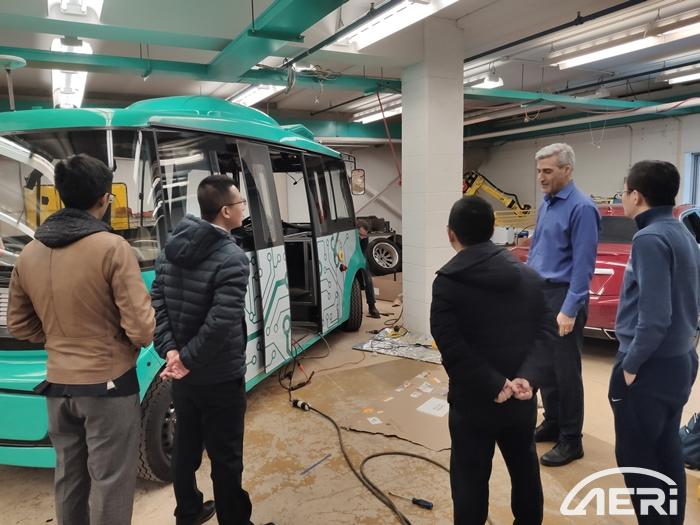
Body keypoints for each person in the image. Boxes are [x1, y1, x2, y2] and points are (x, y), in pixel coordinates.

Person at [7, 154, 155, 525]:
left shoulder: (29, 253)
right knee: (111, 481)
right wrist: (118, 342)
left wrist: (59, 337)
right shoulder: (112, 248)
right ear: (104, 198)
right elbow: (142, 329)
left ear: (61, 195)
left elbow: (19, 325)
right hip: (108, 385)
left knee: (69, 477)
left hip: (57, 386)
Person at [431, 196, 555, 525]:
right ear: (493, 230)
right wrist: (528, 377)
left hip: (473, 403)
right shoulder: (530, 277)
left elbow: (450, 345)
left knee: (469, 480)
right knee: (525, 469)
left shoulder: (447, 284)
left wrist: (493, 383)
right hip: (521, 399)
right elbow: (546, 332)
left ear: (450, 233)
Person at [152, 175, 258, 525]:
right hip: (220, 376)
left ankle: (188, 512)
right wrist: (185, 359)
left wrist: (171, 352)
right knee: (226, 457)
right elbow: (221, 322)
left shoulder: (171, 247)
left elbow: (158, 304)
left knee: (186, 446)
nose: (243, 208)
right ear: (226, 211)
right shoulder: (233, 257)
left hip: (184, 378)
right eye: (240, 203)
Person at [609, 160, 700, 524]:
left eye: (623, 192)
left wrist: (630, 366)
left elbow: (655, 318)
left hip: (649, 366)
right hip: (681, 359)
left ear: (637, 195)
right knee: (666, 450)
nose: (622, 199)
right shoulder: (682, 232)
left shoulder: (648, 238)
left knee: (638, 460)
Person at [527, 142, 599, 467]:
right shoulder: (546, 204)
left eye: (548, 171)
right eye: (539, 171)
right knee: (544, 367)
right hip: (540, 295)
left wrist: (569, 309)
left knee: (566, 372)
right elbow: (537, 250)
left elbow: (584, 266)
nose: (541, 177)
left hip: (563, 297)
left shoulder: (582, 208)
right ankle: (553, 421)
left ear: (567, 170)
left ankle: (571, 439)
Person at [357, 219, 382, 318]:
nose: (362, 237)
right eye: (360, 234)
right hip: (347, 257)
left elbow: (363, 253)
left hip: (359, 257)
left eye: (364, 235)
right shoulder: (347, 236)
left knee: (368, 278)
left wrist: (361, 264)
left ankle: (372, 306)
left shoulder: (364, 237)